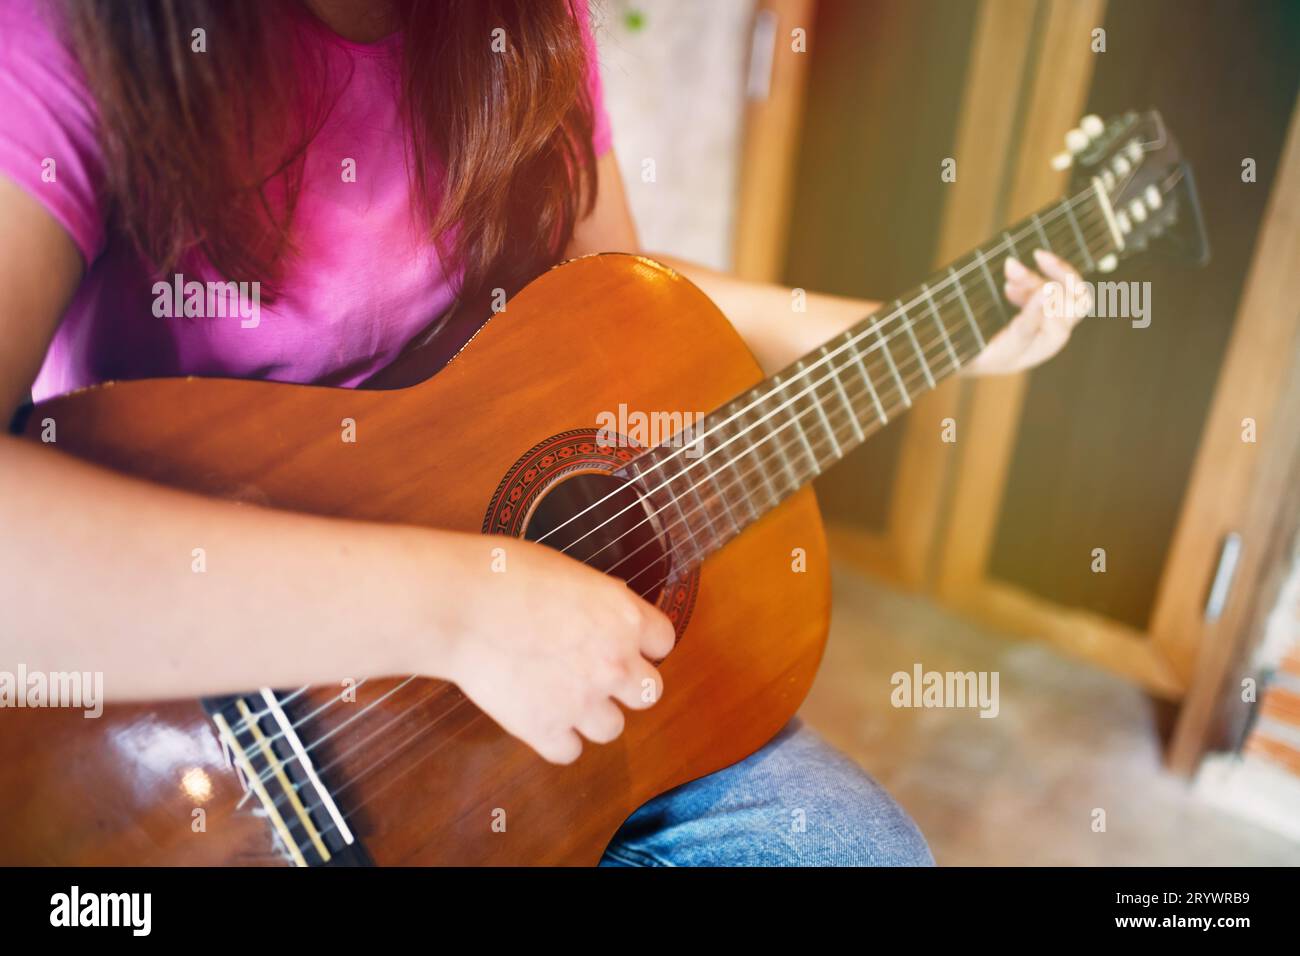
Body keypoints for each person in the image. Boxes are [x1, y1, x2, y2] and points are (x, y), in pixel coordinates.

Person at [0, 0, 1083, 866]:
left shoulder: (525, 24)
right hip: (194, 721)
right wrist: (462, 612)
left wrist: (924, 330)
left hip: (510, 698)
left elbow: (618, 302)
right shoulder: (57, 35)